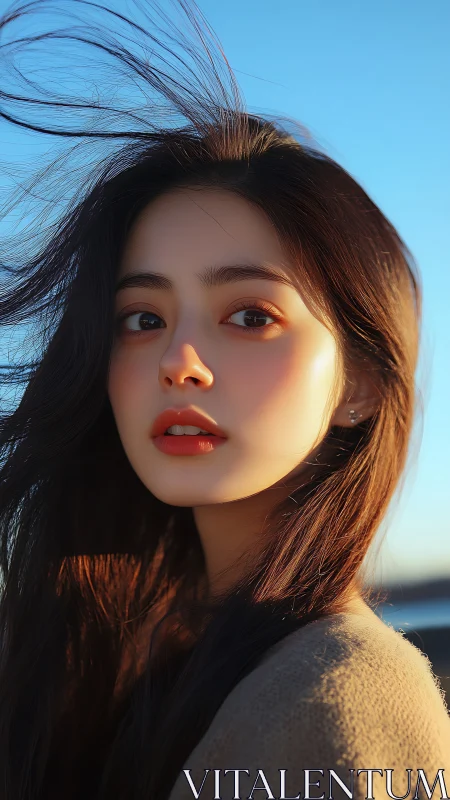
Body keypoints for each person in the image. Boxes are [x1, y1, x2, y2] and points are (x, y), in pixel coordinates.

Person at [0, 2, 448, 799]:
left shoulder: (341, 700)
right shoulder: (124, 659)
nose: (181, 362)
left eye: (250, 315)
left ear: (363, 383)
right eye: (142, 318)